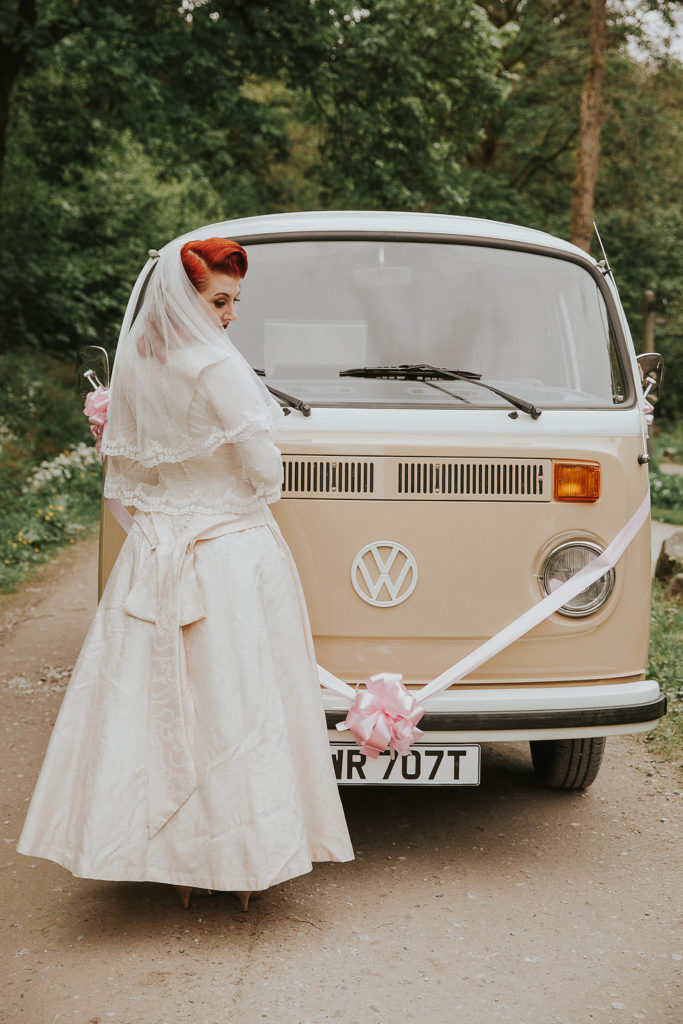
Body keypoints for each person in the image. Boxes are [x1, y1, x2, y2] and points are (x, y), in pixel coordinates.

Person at [17, 237, 354, 909]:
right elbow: (266, 473)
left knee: (149, 703)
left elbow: (127, 481)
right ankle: (239, 861)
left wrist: (167, 511)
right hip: (226, 551)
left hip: (156, 552)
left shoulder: (139, 372)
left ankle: (167, 862)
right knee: (236, 703)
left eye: (233, 302)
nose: (229, 315)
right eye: (219, 300)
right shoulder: (214, 368)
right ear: (188, 300)